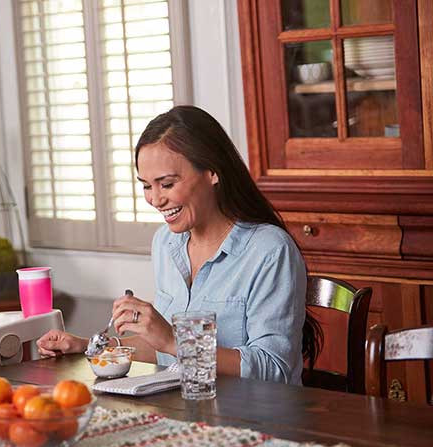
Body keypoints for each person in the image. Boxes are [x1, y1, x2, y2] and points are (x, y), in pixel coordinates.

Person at [37, 106, 320, 384]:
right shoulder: (165, 243)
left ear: (212, 172)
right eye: (147, 186)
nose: (156, 199)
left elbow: (275, 369)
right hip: (186, 409)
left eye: (167, 184)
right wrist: (90, 347)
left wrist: (174, 341)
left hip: (254, 420)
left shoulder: (269, 251)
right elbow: (165, 352)